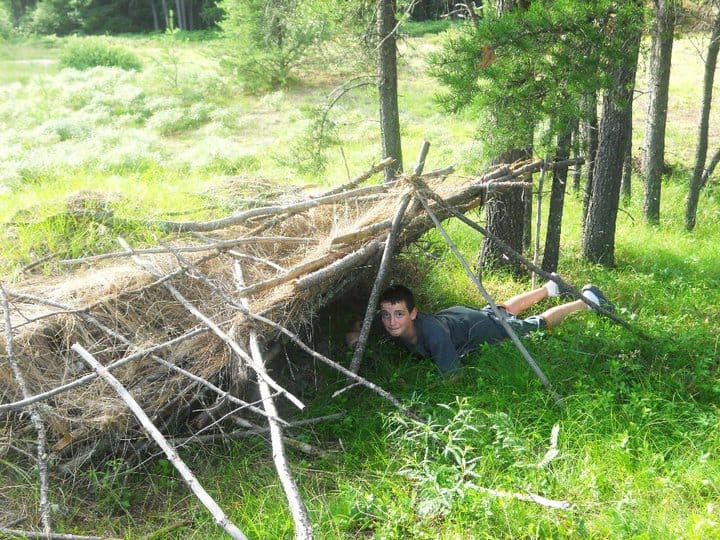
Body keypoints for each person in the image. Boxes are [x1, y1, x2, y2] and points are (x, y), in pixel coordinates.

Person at [346, 280, 614, 375]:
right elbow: (363, 327)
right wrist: (357, 335)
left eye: (399, 314)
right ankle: (549, 288)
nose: (392, 321)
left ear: (413, 314)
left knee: (532, 326)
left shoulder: (433, 336)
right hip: (459, 316)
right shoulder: (388, 324)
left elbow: (453, 376)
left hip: (478, 328)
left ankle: (587, 302)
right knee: (501, 310)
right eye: (387, 315)